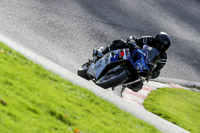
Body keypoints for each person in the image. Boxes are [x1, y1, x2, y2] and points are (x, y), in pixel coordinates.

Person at [93, 32, 172, 91]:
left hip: (142, 67)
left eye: (164, 47)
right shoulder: (148, 39)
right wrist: (132, 43)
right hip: (134, 55)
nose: (161, 48)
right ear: (156, 41)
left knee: (138, 86)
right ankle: (102, 52)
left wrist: (151, 75)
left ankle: (122, 82)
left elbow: (157, 71)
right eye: (160, 45)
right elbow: (134, 39)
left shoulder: (163, 57)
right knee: (121, 43)